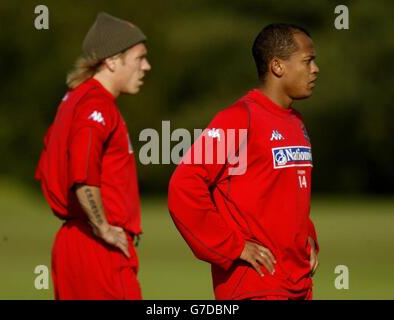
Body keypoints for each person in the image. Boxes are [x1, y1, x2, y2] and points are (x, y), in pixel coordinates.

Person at [168, 23, 320, 300]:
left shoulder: (296, 121)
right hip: (256, 283)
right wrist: (232, 246)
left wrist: (308, 238)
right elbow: (184, 185)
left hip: (298, 282)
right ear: (277, 66)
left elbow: (290, 194)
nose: (315, 69)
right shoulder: (238, 118)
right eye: (308, 61)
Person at [35, 12, 151, 300]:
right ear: (112, 60)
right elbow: (83, 175)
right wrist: (103, 228)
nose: (146, 66)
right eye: (139, 58)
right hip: (96, 248)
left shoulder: (74, 99)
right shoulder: (96, 106)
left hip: (75, 245)